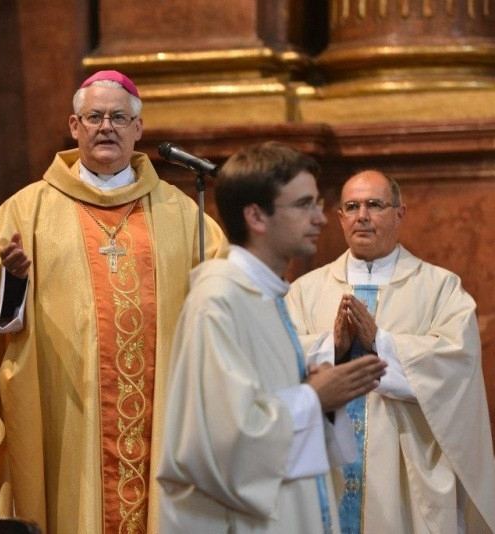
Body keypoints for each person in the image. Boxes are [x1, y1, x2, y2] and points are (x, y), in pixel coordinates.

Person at [0, 70, 229, 533]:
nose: (107, 127)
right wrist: (12, 281)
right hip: (68, 407)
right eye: (95, 117)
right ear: (74, 126)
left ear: (138, 129)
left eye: (119, 118)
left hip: (162, 406)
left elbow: (221, 290)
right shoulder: (29, 208)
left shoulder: (181, 212)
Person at [156, 142, 387, 533]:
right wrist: (313, 397)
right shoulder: (218, 301)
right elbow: (219, 443)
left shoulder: (266, 296)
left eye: (317, 204)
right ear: (256, 216)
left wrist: (314, 391)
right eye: (304, 205)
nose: (321, 218)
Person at [285, 169, 495, 533]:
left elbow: (456, 367)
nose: (362, 216)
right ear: (340, 218)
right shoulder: (305, 290)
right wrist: (331, 347)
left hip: (404, 478)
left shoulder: (440, 288)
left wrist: (381, 342)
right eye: (352, 207)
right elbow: (277, 361)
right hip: (326, 472)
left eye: (374, 204)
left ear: (400, 214)